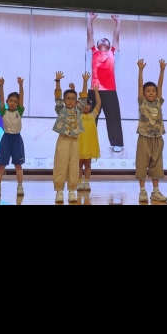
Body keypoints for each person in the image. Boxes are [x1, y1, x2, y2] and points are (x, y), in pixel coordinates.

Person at [87, 13, 124, 153]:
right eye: (100, 41)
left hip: (110, 90)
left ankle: (116, 143)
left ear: (109, 46)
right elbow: (90, 35)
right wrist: (90, 20)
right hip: (94, 90)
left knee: (113, 117)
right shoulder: (94, 52)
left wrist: (118, 22)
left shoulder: (112, 52)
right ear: (97, 45)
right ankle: (87, 141)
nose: (103, 41)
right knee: (90, 118)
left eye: (105, 41)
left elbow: (116, 37)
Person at [53, 71, 90, 203]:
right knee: (60, 165)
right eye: (68, 98)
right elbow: (57, 97)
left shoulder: (78, 109)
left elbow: (84, 98)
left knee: (73, 166)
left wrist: (85, 81)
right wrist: (58, 81)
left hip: (74, 141)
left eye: (73, 99)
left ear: (76, 101)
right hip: (63, 140)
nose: (70, 100)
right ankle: (59, 191)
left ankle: (72, 191)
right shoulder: (61, 109)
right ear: (64, 100)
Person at [136, 59, 167, 203]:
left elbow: (160, 85)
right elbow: (140, 85)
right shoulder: (142, 101)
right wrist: (140, 70)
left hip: (157, 137)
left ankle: (155, 191)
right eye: (148, 91)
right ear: (143, 93)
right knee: (142, 164)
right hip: (144, 137)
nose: (151, 93)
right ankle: (142, 191)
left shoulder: (158, 101)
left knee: (156, 165)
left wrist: (162, 70)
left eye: (153, 91)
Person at [0, 77, 26, 198]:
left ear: (18, 103)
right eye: (10, 101)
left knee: (18, 165)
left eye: (15, 101)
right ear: (7, 102)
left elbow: (22, 98)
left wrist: (21, 85)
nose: (13, 103)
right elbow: (1, 98)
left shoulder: (19, 111)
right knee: (1, 165)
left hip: (17, 139)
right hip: (6, 139)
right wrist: (1, 86)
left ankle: (20, 186)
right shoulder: (3, 111)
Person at [78, 84, 102, 192]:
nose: (86, 106)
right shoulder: (78, 115)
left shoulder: (92, 115)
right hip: (80, 144)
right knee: (79, 164)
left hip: (89, 144)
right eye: (84, 104)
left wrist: (96, 91)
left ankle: (87, 182)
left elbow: (99, 103)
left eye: (88, 104)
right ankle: (79, 182)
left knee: (88, 164)